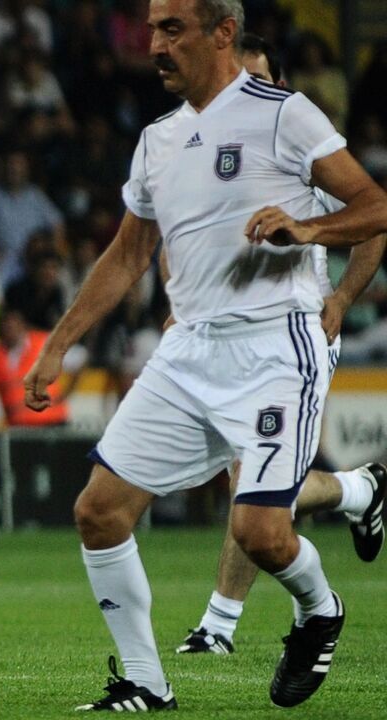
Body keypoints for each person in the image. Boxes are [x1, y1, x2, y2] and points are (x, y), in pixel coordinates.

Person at [21, 0, 387, 711]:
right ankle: (144, 683)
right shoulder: (159, 138)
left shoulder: (285, 114)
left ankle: (319, 608)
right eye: (152, 29)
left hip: (276, 345)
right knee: (99, 511)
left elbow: (375, 204)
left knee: (259, 532)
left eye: (171, 30)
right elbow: (128, 255)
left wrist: (307, 230)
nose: (154, 44)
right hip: (188, 348)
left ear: (223, 32)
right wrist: (57, 345)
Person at [173, 32, 387, 657]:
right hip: (225, 337)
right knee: (261, 488)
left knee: (254, 484)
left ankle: (219, 624)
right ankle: (360, 490)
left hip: (295, 335)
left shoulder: (299, 149)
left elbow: (373, 219)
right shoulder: (206, 149)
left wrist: (342, 299)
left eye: (258, 83)